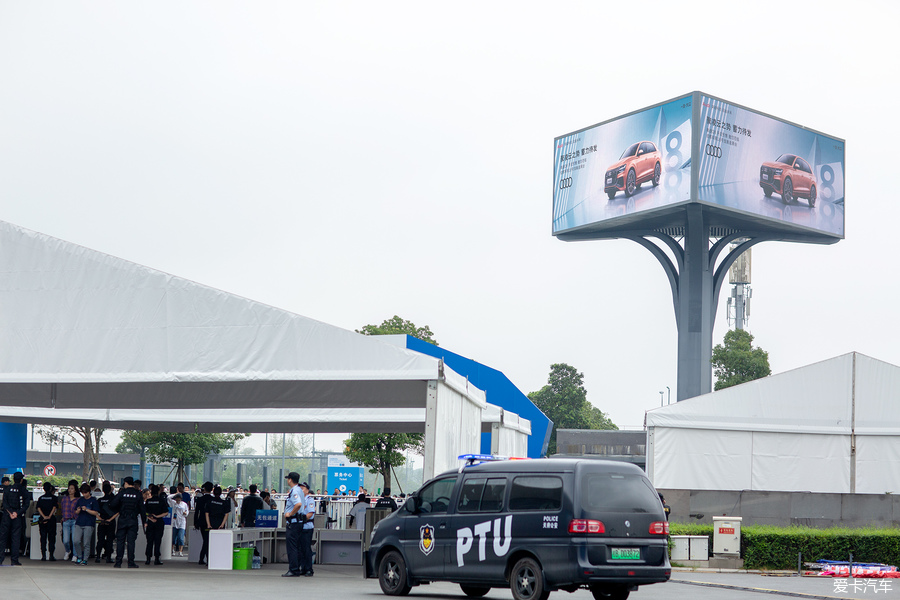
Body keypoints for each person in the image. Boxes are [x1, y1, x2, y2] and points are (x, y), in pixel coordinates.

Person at [111, 476, 145, 568]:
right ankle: (131, 562)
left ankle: (118, 562)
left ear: (126, 483)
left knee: (120, 541)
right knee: (131, 542)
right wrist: (144, 521)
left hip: (122, 519)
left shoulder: (122, 493)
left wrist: (120, 508)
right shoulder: (138, 493)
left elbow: (113, 504)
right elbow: (142, 509)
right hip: (133, 520)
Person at [0, 472, 30, 566]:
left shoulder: (8, 489)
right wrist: (17, 513)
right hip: (17, 517)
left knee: (3, 538)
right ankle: (14, 560)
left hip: (6, 516)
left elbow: (4, 504)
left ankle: (0, 559)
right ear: (21, 480)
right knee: (15, 538)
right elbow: (26, 505)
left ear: (13, 478)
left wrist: (10, 512)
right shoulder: (24, 491)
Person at [281, 471, 304, 577]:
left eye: (288, 479)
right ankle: (297, 568)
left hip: (294, 522)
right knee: (297, 546)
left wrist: (290, 514)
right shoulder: (299, 489)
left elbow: (298, 504)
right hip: (298, 522)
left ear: (290, 479)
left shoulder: (294, 491)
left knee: (292, 547)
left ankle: (293, 569)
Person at [73, 482, 100, 565]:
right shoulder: (80, 500)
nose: (84, 494)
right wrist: (78, 510)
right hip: (79, 522)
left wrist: (87, 510)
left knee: (86, 543)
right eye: (82, 493)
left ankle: (85, 559)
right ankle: (79, 556)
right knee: (76, 541)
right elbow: (76, 511)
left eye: (85, 493)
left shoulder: (93, 500)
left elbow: (96, 513)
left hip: (89, 523)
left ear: (89, 492)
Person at [143, 484, 168, 565]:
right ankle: (157, 559)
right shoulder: (161, 501)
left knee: (149, 541)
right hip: (159, 523)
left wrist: (151, 519)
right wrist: (157, 517)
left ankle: (148, 559)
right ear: (158, 491)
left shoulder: (148, 501)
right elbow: (166, 512)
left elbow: (145, 512)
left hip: (150, 523)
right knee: (158, 541)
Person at [36, 481, 59, 561]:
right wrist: (49, 516)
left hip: (42, 520)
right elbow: (54, 507)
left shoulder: (41, 498)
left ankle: (43, 556)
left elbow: (38, 508)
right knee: (52, 538)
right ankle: (51, 555)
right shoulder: (54, 498)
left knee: (43, 538)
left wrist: (44, 516)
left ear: (43, 488)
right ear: (50, 488)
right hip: (51, 520)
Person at [96, 481, 117, 563]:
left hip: (101, 521)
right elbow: (117, 511)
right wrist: (110, 519)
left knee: (100, 539)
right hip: (110, 521)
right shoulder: (113, 500)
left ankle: (98, 556)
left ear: (103, 490)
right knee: (109, 540)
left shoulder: (100, 500)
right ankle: (108, 557)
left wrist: (100, 519)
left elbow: (96, 511)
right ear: (110, 490)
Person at [298, 482, 316, 576]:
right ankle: (303, 568)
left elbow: (310, 513)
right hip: (298, 527)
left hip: (306, 527)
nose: (301, 490)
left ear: (307, 490)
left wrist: (302, 519)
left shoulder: (310, 500)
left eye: (303, 488)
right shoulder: (297, 499)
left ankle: (309, 569)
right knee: (300, 549)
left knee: (306, 548)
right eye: (300, 488)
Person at [59, 480, 79, 561]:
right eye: (69, 488)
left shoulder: (78, 500)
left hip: (74, 520)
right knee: (65, 540)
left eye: (72, 488)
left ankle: (75, 555)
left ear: (75, 490)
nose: (70, 490)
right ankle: (67, 551)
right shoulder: (64, 499)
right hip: (66, 520)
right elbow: (62, 509)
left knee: (74, 539)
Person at [194, 481, 213, 565]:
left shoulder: (200, 499)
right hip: (211, 523)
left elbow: (196, 511)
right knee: (207, 540)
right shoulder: (213, 500)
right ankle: (206, 559)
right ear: (212, 489)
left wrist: (196, 522)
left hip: (201, 522)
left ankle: (202, 558)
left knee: (206, 540)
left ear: (204, 489)